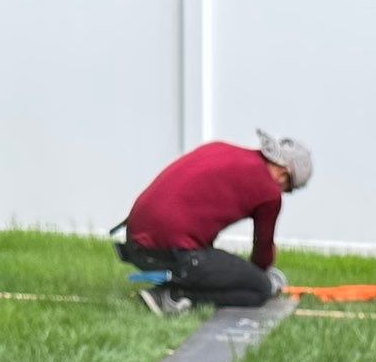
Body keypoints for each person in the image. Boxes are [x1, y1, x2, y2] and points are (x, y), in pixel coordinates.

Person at [117, 131, 313, 309]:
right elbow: (261, 258)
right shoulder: (269, 193)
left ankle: (176, 284)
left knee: (214, 264)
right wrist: (266, 276)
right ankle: (173, 296)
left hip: (134, 245)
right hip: (173, 253)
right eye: (288, 189)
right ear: (284, 174)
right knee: (259, 289)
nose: (283, 193)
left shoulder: (219, 148)